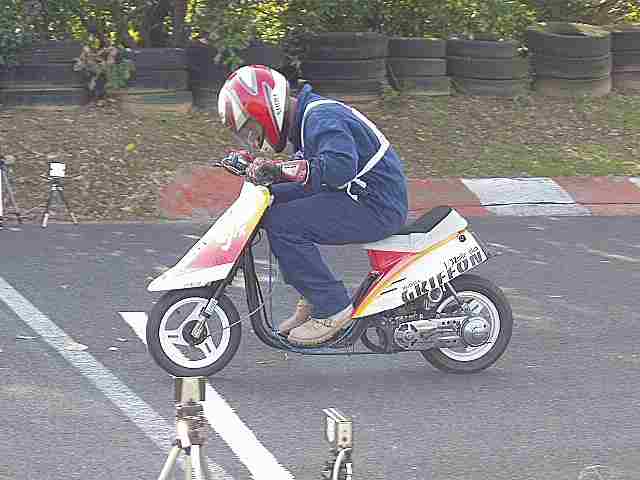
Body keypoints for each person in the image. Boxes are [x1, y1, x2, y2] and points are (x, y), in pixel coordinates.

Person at [217, 64, 408, 346]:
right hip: (358, 193)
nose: (253, 138)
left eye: (251, 128)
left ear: (266, 111)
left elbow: (339, 167)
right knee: (272, 202)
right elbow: (313, 172)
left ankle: (332, 307)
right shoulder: (308, 118)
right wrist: (264, 175)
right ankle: (314, 296)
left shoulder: (321, 117)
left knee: (285, 224)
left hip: (376, 203)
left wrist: (278, 170)